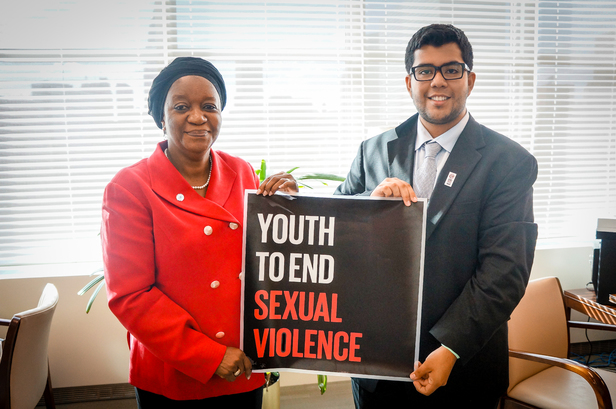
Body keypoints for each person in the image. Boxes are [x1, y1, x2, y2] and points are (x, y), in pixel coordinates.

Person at [335, 24, 538, 408]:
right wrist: (370, 202)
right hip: (375, 365)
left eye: (451, 69)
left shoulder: (509, 162)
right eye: (425, 71)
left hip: (462, 367)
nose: (438, 81)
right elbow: (336, 233)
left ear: (470, 79)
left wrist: (451, 348)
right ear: (409, 82)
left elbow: (505, 272)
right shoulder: (372, 150)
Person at [101, 56, 297, 408]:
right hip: (174, 372)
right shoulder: (129, 187)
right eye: (181, 106)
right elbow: (131, 295)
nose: (197, 116)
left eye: (210, 106)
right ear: (160, 117)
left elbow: (266, 262)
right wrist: (208, 355)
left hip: (242, 364)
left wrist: (292, 208)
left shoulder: (242, 172)